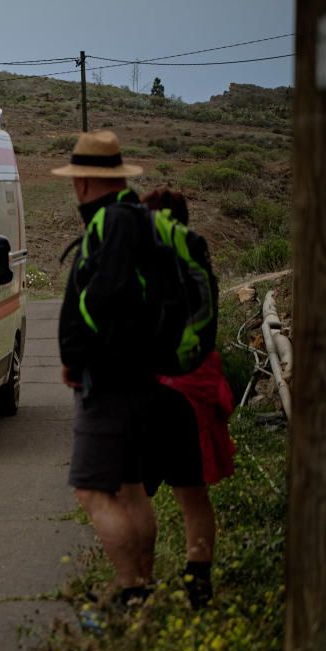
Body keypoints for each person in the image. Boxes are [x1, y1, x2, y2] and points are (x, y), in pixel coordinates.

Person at [52, 130, 158, 607]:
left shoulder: (110, 224)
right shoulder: (136, 217)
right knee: (131, 485)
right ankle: (143, 584)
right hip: (139, 374)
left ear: (84, 182)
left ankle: (131, 589)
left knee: (93, 490)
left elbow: (102, 298)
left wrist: (78, 357)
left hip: (110, 377)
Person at [141, 187, 236, 610]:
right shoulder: (199, 259)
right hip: (196, 384)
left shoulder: (150, 265)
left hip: (158, 388)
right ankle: (198, 584)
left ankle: (136, 586)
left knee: (129, 495)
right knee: (193, 496)